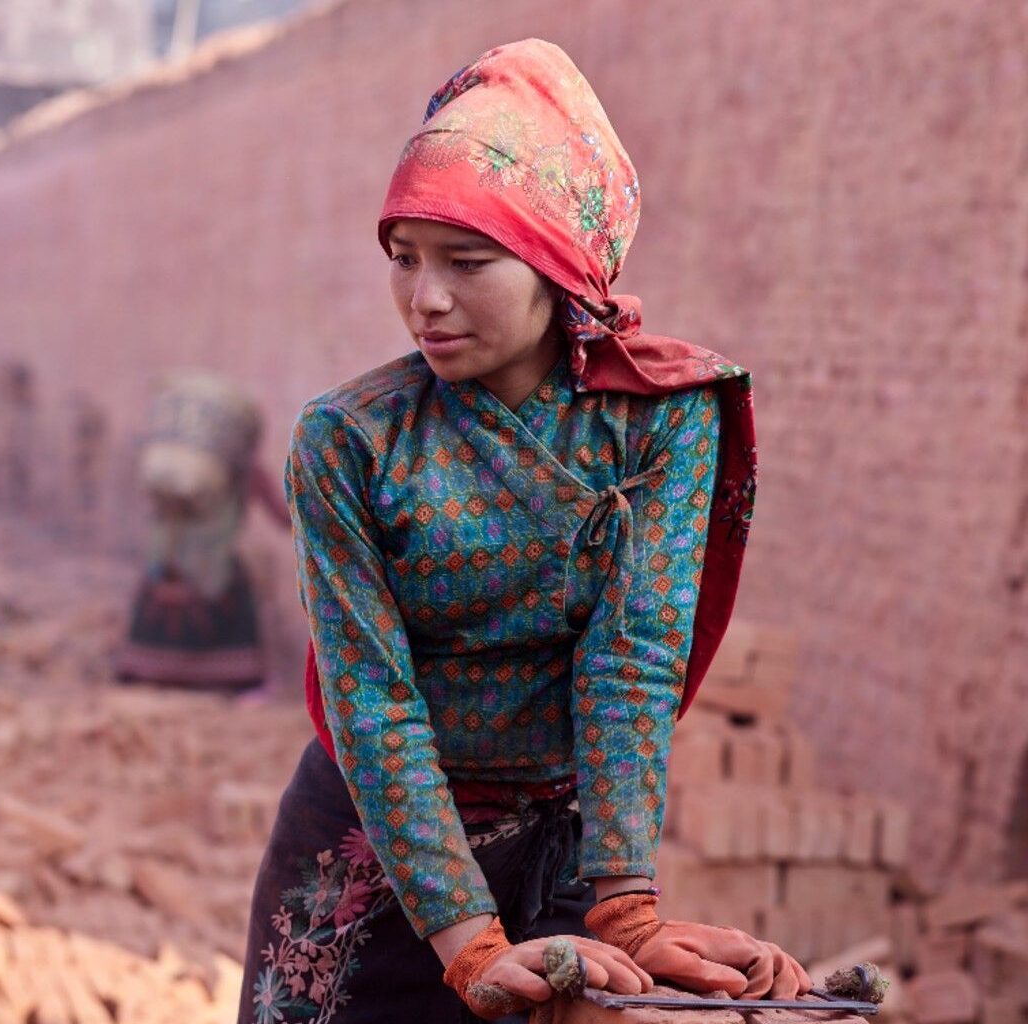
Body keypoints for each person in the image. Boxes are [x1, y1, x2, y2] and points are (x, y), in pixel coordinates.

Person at [235, 41, 806, 1022]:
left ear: (557, 268)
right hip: (368, 860)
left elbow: (631, 661)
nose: (428, 298)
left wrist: (625, 908)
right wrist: (469, 942)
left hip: (562, 855)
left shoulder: (663, 417)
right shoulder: (351, 439)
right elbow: (370, 699)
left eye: (467, 261)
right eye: (403, 259)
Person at [115, 371, 289, 691]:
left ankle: (142, 670)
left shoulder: (174, 470)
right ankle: (242, 683)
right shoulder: (245, 469)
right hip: (212, 566)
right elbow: (284, 517)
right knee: (238, 595)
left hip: (164, 559)